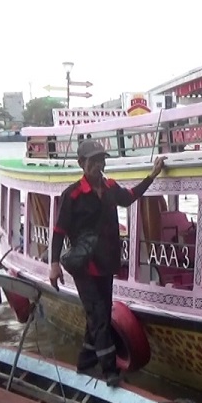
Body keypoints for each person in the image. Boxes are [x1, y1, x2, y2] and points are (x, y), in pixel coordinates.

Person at [49, 140, 165, 385]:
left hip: (107, 261)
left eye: (101, 160)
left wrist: (152, 176)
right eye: (93, 161)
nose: (98, 165)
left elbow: (130, 197)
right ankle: (110, 372)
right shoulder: (72, 194)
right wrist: (54, 264)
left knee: (98, 315)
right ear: (82, 164)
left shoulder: (110, 187)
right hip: (84, 266)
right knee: (100, 316)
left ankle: (85, 363)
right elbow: (59, 231)